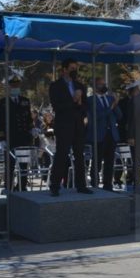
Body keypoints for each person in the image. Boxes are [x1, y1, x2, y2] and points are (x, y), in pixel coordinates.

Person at [48, 59, 92, 196]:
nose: (74, 71)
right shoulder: (55, 86)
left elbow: (85, 106)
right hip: (63, 125)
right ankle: (55, 186)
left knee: (79, 155)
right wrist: (73, 100)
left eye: (76, 68)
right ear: (65, 69)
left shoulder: (80, 86)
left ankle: (81, 185)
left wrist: (79, 103)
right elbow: (57, 106)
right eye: (72, 68)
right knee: (61, 155)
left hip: (78, 125)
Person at [0, 75, 34, 191]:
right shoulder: (2, 103)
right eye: (13, 85)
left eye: (17, 85)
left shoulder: (25, 101)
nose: (15, 87)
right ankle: (8, 187)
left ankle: (22, 186)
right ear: (8, 87)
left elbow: (28, 120)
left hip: (24, 138)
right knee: (10, 165)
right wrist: (2, 139)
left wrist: (32, 129)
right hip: (10, 138)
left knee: (24, 165)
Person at [86, 77, 121, 191]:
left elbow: (119, 116)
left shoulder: (110, 99)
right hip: (98, 134)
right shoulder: (91, 100)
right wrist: (111, 107)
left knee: (110, 161)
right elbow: (98, 116)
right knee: (97, 161)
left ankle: (108, 185)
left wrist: (115, 104)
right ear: (95, 86)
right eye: (101, 84)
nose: (104, 86)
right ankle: (95, 184)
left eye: (104, 84)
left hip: (111, 134)